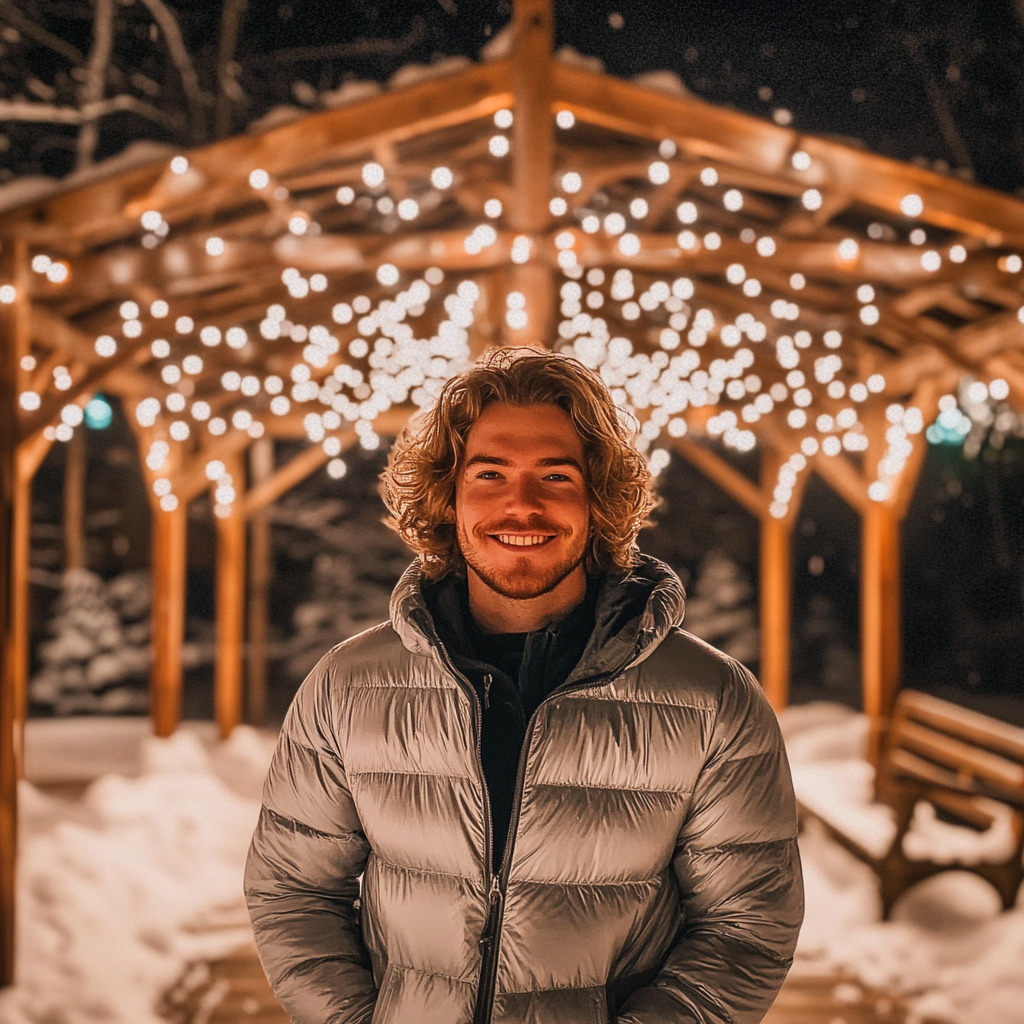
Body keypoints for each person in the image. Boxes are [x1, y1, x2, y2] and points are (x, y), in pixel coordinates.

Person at [244, 348, 803, 1024]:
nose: (522, 504)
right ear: (447, 497)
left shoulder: (713, 702)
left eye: (556, 476)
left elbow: (746, 927)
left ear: (599, 500)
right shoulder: (348, 688)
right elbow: (292, 892)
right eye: (490, 474)